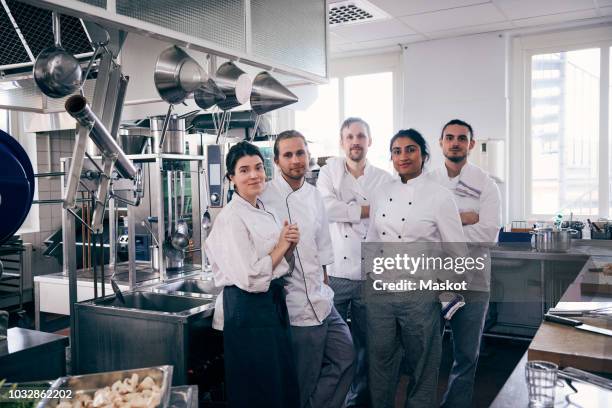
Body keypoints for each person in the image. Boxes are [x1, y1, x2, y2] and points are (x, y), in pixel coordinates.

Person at [366, 129, 466, 408]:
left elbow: (457, 250)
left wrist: (443, 290)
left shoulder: (439, 196)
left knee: (423, 364)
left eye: (410, 149)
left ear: (423, 154)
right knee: (380, 361)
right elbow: (373, 240)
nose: (403, 156)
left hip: (420, 295)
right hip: (382, 293)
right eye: (396, 151)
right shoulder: (381, 192)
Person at [260, 130, 355, 408]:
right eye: (287, 155)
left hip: (321, 297)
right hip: (294, 305)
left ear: (308, 155)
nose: (295, 160)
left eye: (300, 153)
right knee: (303, 378)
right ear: (277, 161)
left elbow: (323, 245)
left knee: (346, 356)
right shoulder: (265, 196)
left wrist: (325, 285)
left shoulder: (314, 195)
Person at [204, 141, 300, 408]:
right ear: (231, 178)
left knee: (278, 384)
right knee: (256, 390)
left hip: (270, 305)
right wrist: (282, 246)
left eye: (258, 167)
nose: (254, 175)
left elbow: (278, 264)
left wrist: (289, 246)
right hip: (247, 310)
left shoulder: (263, 209)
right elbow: (250, 277)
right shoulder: (232, 217)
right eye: (244, 170)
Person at [316, 117, 393, 407]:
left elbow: (384, 215)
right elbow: (325, 208)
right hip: (335, 273)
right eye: (349, 136)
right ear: (342, 141)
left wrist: (344, 206)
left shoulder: (383, 178)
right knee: (333, 346)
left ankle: (359, 401)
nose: (355, 141)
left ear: (369, 141)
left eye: (361, 136)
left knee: (368, 347)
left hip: (369, 274)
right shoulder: (328, 172)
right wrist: (364, 209)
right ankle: (332, 400)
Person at [428, 119, 502, 408]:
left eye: (461, 138)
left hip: (472, 281)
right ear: (441, 143)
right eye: (449, 137)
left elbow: (489, 232)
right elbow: (422, 230)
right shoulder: (427, 181)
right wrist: (464, 217)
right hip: (433, 281)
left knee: (467, 355)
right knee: (425, 352)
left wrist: (445, 225)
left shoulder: (486, 184)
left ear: (471, 144)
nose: (455, 142)